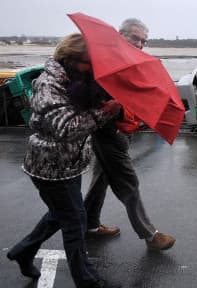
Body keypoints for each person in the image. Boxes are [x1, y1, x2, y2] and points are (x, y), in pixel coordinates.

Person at [6, 34, 121, 288]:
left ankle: (23, 251)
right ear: (68, 58)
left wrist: (103, 100)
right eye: (86, 63)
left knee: (59, 215)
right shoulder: (50, 85)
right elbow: (66, 128)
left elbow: (80, 107)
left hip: (68, 162)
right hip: (51, 166)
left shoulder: (75, 78)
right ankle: (86, 279)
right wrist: (103, 112)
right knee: (75, 221)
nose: (90, 68)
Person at [83, 18, 176, 250]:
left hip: (122, 128)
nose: (140, 44)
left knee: (100, 179)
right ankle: (150, 235)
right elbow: (92, 97)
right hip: (108, 130)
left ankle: (88, 224)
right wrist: (112, 106)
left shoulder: (131, 63)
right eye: (135, 38)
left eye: (144, 41)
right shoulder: (105, 62)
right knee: (128, 183)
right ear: (120, 35)